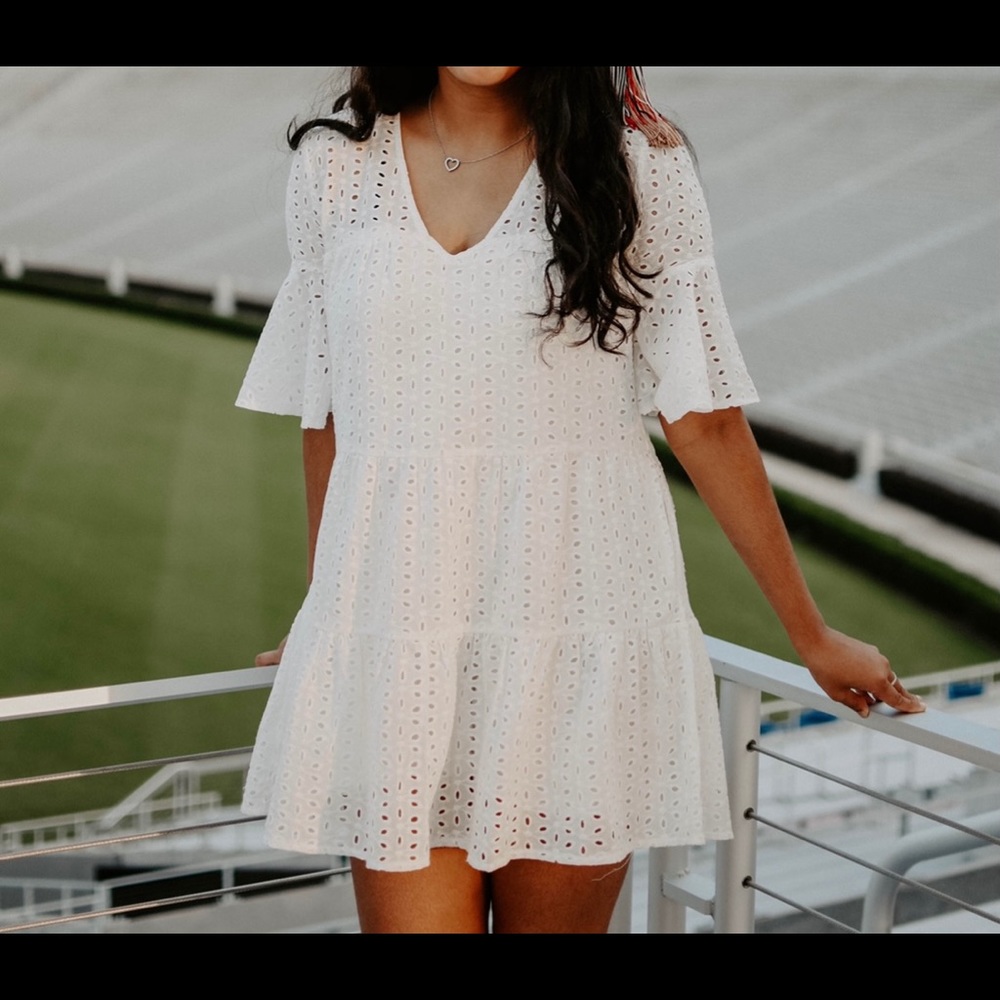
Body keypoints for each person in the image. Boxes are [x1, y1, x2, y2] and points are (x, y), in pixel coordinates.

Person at [236, 67, 925, 934]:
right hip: (398, 646)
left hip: (580, 637)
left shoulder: (638, 168)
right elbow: (331, 415)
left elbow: (705, 420)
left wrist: (810, 634)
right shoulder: (334, 171)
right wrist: (328, 610)